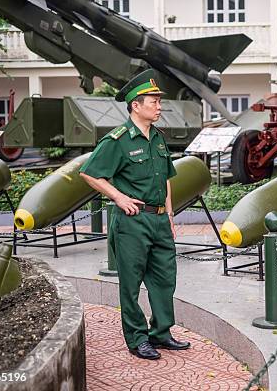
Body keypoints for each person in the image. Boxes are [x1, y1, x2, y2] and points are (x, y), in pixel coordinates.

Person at [79, 69, 190, 360]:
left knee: (165, 279)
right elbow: (89, 173)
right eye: (153, 101)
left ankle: (161, 333)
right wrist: (118, 196)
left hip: (158, 220)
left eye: (158, 101)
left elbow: (166, 177)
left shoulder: (158, 138)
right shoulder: (117, 141)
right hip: (133, 222)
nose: (159, 106)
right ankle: (137, 338)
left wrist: (169, 214)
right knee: (131, 284)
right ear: (135, 106)